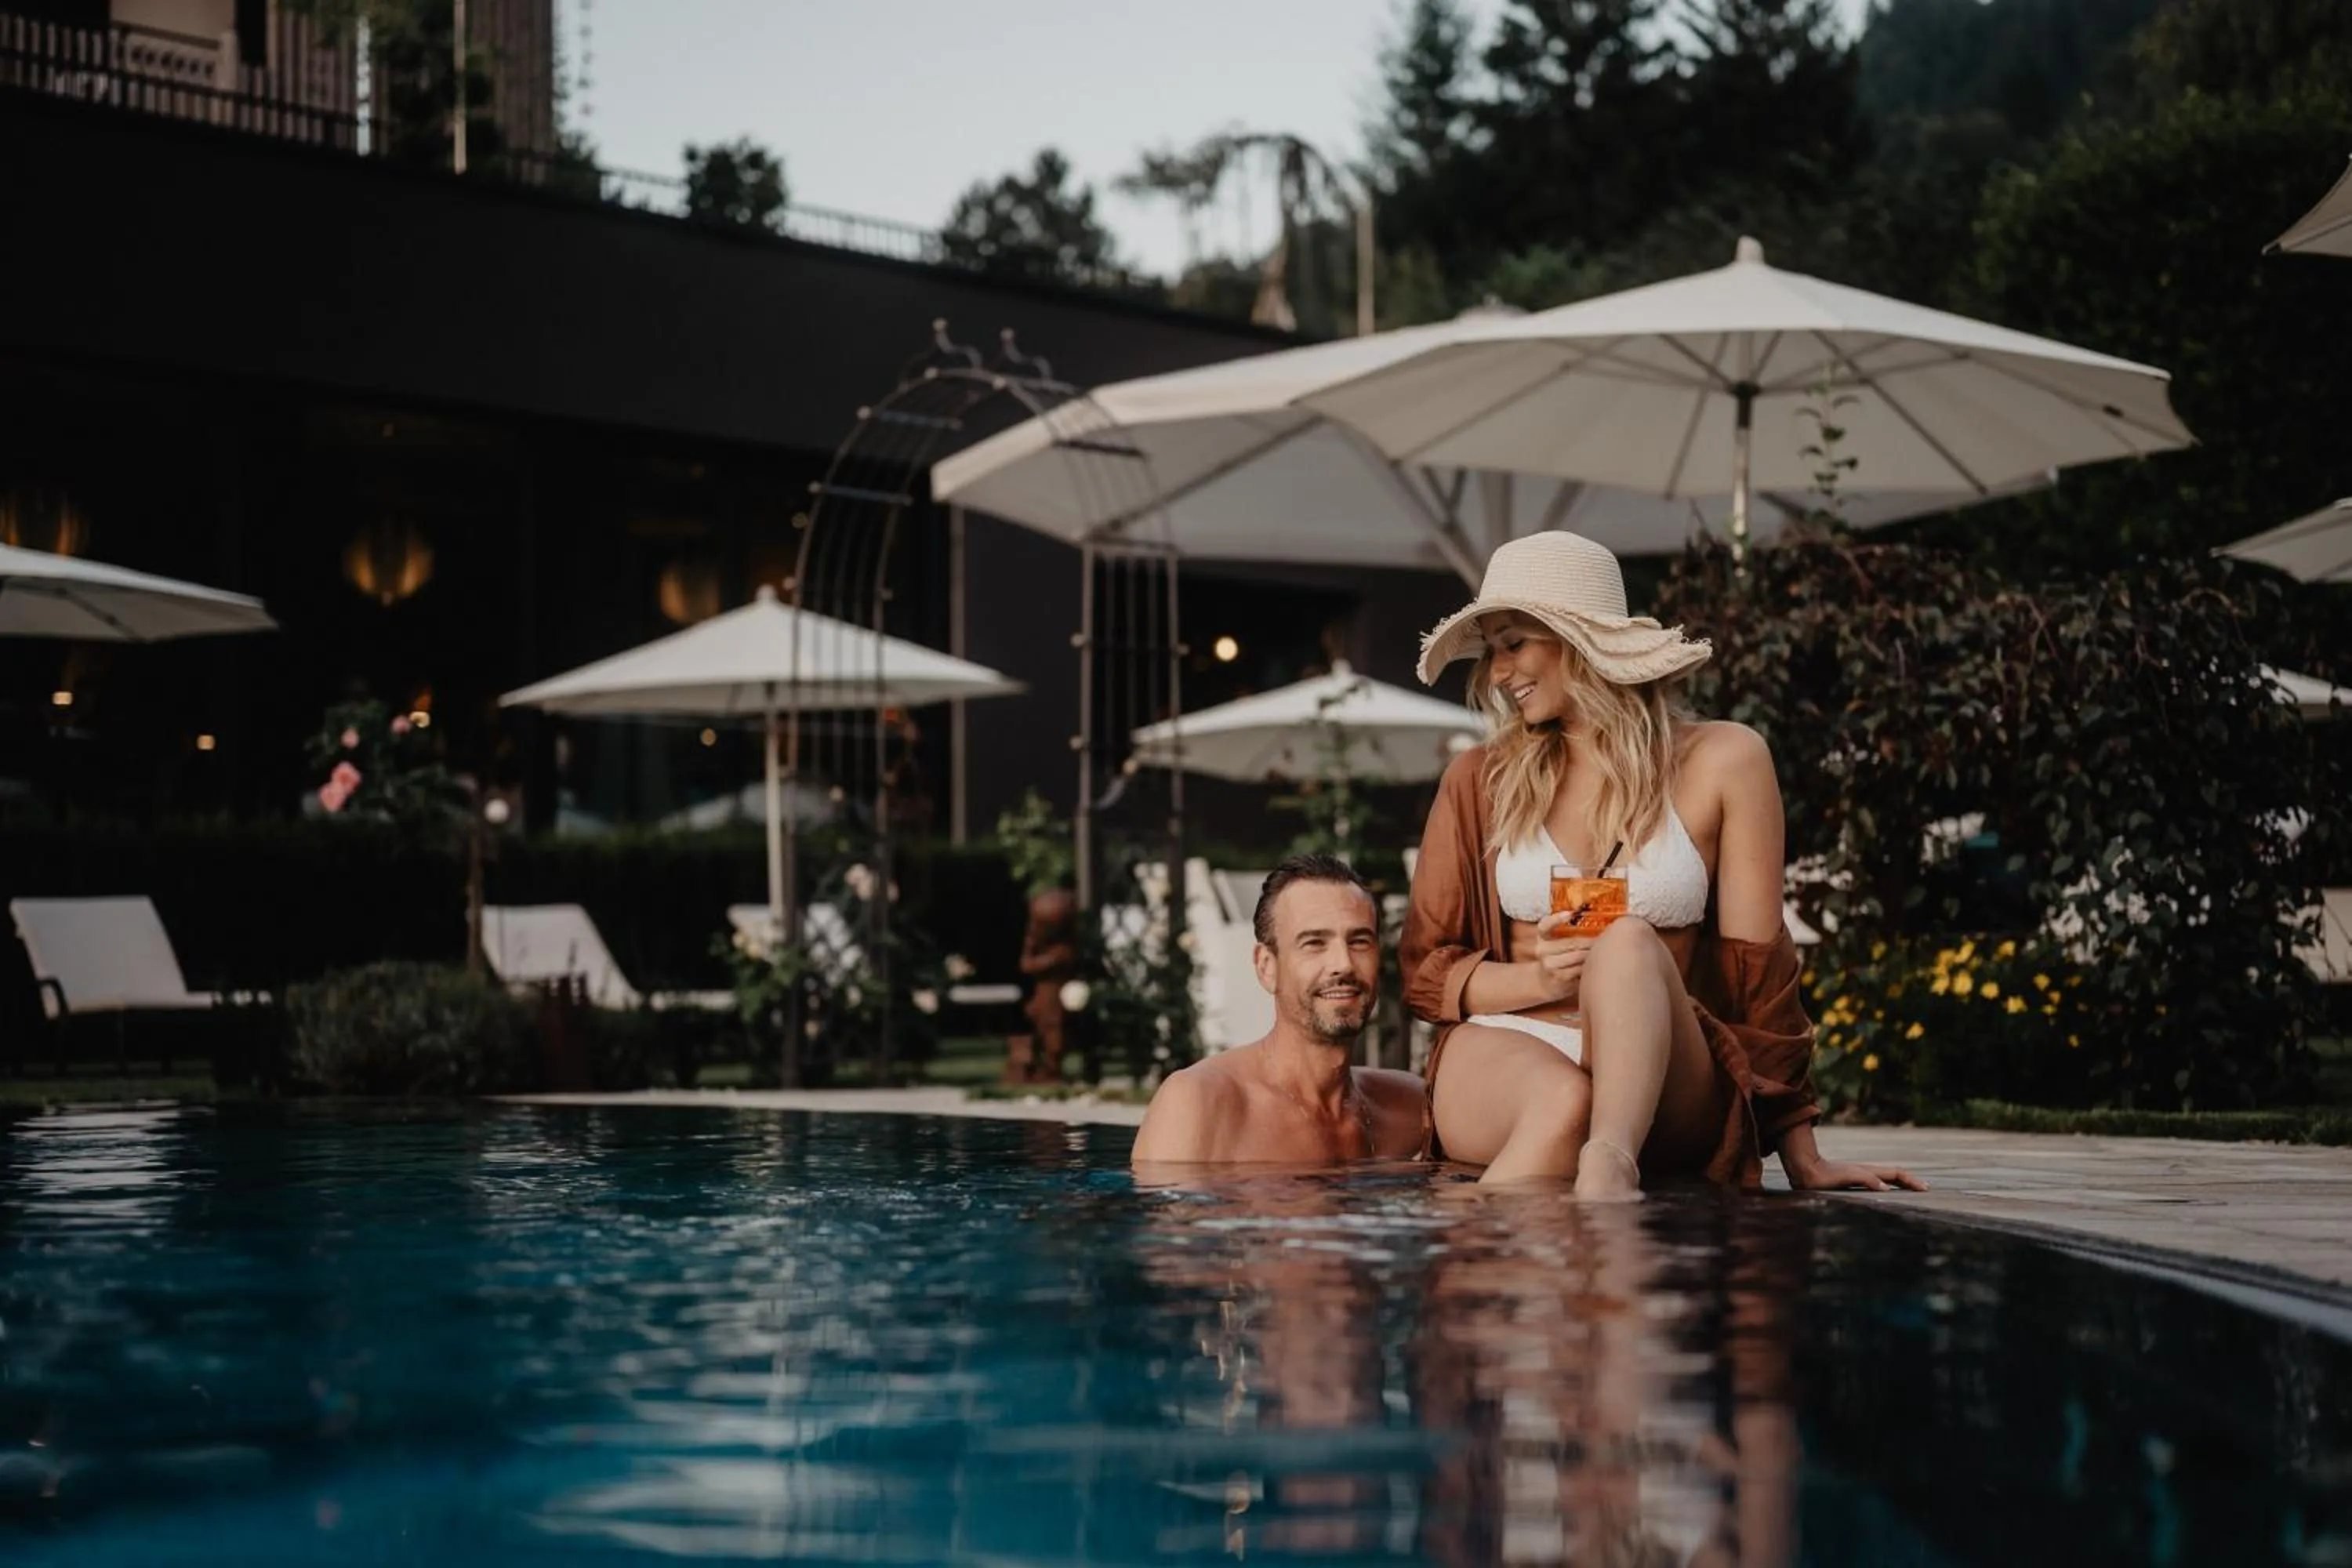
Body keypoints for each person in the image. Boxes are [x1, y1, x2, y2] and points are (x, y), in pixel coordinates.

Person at [1400, 531, 1926, 1197]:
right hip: (1510, 1045)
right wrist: (1536, 975)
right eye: (1491, 652)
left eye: (1514, 643)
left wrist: (1802, 1152)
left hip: (1667, 1074)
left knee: (1626, 942)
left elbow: (1761, 969)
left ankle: (1607, 1164)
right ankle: (1527, 1266)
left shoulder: (1724, 761)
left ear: (1581, 641)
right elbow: (1425, 970)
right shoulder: (1481, 779)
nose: (1498, 673)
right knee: (1561, 1108)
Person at [1131, 854, 1428, 1166]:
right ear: (1266, 967)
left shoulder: (1409, 1108)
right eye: (1314, 943)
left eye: (1359, 941)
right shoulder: (1200, 1104)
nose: (1344, 964)